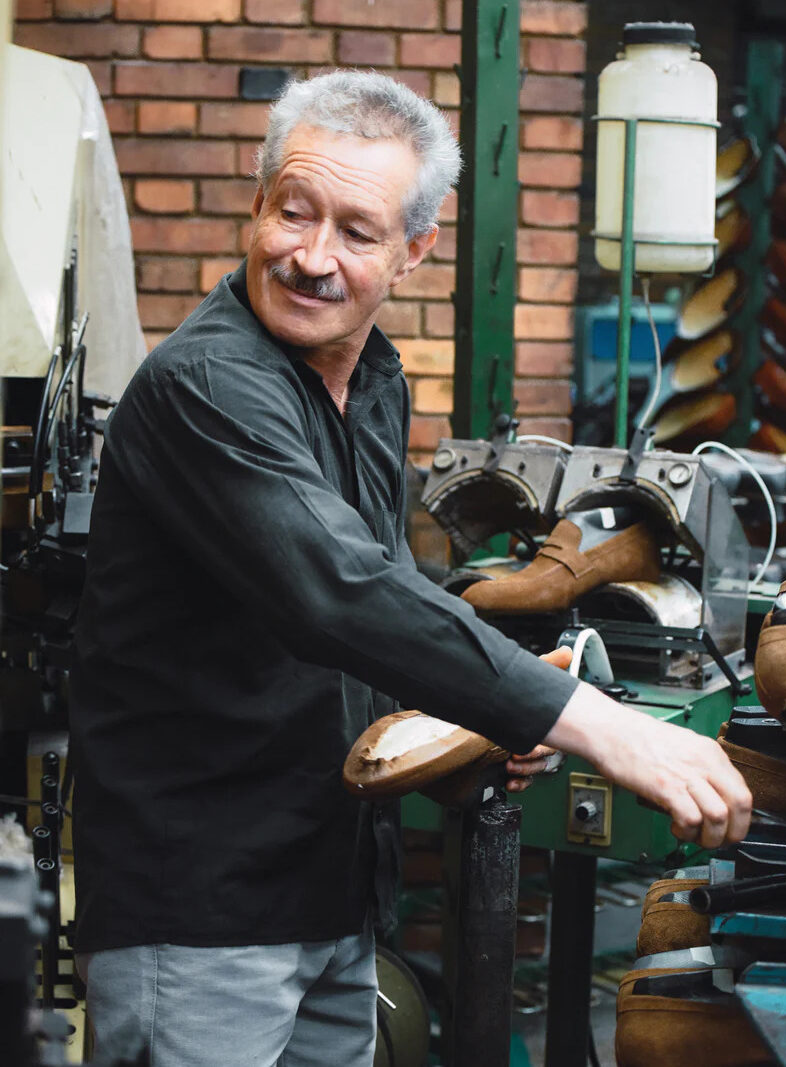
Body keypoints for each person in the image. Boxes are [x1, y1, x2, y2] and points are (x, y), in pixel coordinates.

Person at [70, 70, 751, 1067]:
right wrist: (601, 727)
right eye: (292, 214)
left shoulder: (367, 378)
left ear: (414, 249)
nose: (311, 257)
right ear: (255, 207)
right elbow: (335, 590)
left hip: (332, 886)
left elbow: (386, 589)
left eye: (354, 230)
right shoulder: (206, 385)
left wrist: (493, 703)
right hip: (202, 913)